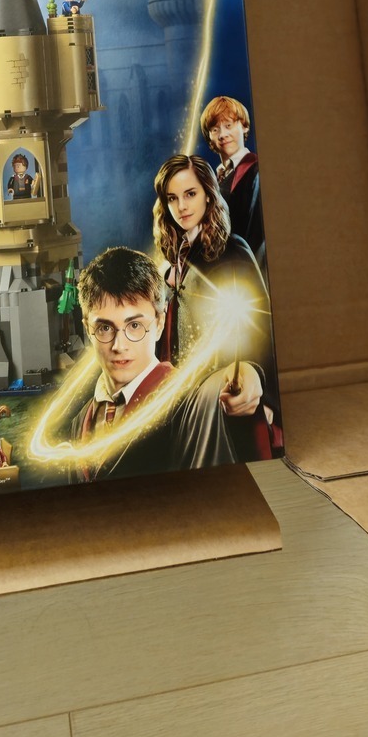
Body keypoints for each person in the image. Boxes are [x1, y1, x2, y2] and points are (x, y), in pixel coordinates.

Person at [66, 247, 263, 481]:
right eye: (105, 328)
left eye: (134, 326)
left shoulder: (184, 399)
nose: (119, 345)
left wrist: (248, 374)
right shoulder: (79, 422)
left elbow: (209, 396)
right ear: (87, 328)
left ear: (159, 323)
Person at [151, 154, 280, 458]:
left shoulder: (233, 251)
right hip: (184, 403)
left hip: (229, 398)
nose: (181, 207)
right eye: (172, 198)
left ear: (208, 195)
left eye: (190, 194)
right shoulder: (172, 262)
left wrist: (262, 390)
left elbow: (262, 329)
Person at [198, 96, 264, 270]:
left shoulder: (257, 172)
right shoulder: (213, 179)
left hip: (247, 270)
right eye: (215, 129)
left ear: (244, 126)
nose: (222, 135)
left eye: (228, 125)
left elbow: (258, 237)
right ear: (209, 137)